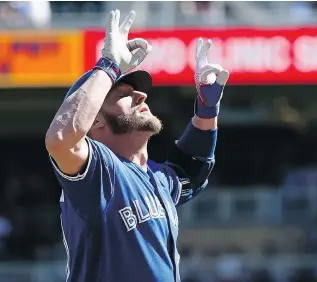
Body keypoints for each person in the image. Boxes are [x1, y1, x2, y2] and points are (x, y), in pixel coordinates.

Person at [45, 9, 230, 282]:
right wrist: (108, 65)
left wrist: (206, 110)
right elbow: (61, 139)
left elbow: (190, 168)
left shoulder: (155, 177)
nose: (142, 94)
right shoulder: (100, 174)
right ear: (94, 120)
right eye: (124, 93)